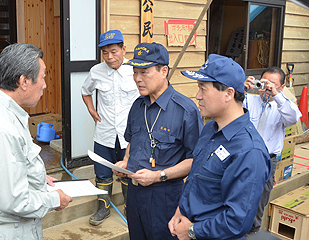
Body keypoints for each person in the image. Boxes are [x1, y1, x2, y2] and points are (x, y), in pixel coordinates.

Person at [0, 43, 72, 239]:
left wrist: (35, 176)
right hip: (13, 230)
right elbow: (13, 200)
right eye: (42, 77)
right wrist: (54, 199)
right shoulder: (2, 128)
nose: (44, 85)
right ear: (24, 81)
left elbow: (6, 165)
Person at [169, 54, 271, 240]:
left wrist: (192, 231)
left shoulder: (249, 151)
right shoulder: (210, 129)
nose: (197, 96)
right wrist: (179, 211)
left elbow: (237, 222)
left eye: (203, 89)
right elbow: (195, 179)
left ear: (228, 94)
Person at [114, 42, 203, 240]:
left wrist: (158, 175)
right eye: (135, 72)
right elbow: (132, 140)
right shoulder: (138, 106)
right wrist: (125, 162)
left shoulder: (185, 110)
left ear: (164, 71)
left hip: (165, 197)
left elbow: (195, 160)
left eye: (144, 72)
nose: (137, 79)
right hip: (135, 193)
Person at [81, 29, 139, 225]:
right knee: (102, 172)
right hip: (104, 132)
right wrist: (91, 109)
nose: (109, 56)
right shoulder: (96, 71)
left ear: (124, 49)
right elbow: (85, 91)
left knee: (128, 172)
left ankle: (129, 208)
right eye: (105, 52)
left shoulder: (135, 71)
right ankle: (103, 208)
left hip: (128, 135)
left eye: (114, 51)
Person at [244, 66, 302, 234]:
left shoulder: (284, 106)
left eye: (272, 84)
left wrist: (276, 95)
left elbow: (293, 118)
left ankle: (252, 233)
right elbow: (230, 107)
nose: (266, 88)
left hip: (267, 159)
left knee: (259, 200)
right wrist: (241, 89)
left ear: (282, 87)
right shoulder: (249, 99)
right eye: (263, 83)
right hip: (244, 155)